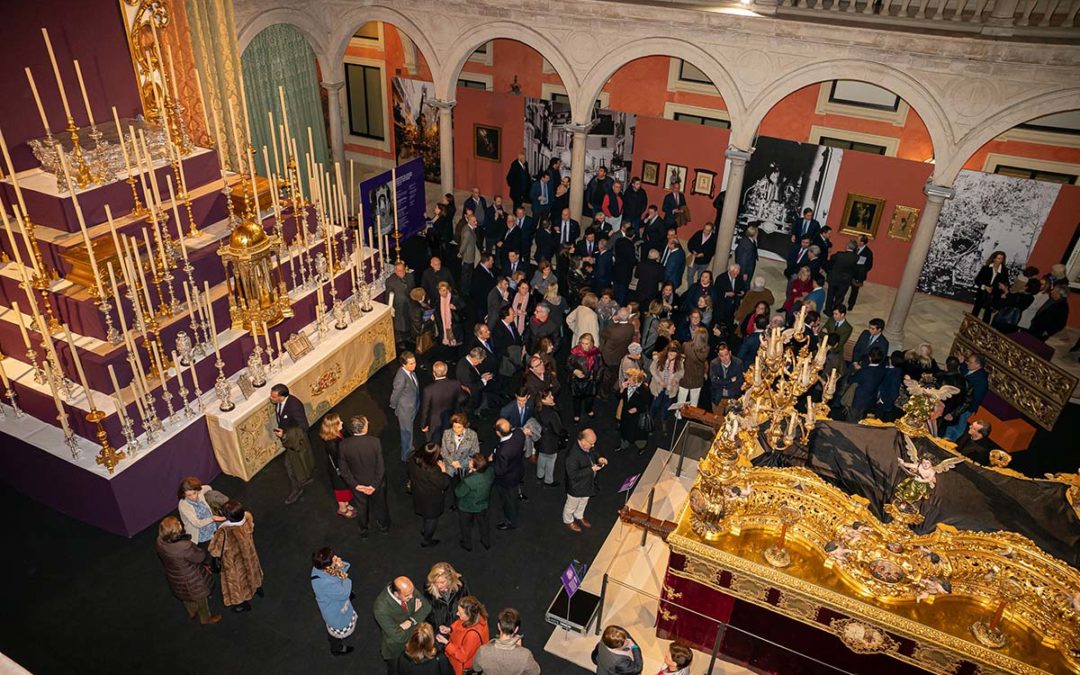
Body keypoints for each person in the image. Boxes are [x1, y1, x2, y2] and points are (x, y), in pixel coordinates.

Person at [155, 515, 221, 625]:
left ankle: (192, 612)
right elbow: (200, 557)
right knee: (200, 597)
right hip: (191, 578)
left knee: (184, 595)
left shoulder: (159, 541)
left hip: (174, 576)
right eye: (178, 524)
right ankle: (206, 618)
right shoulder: (184, 546)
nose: (180, 524)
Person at [208, 500, 264, 613]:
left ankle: (243, 604)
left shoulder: (224, 533)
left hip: (234, 563)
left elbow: (214, 551)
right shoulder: (248, 518)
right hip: (250, 555)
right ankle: (257, 588)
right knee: (253, 572)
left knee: (238, 584)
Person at [339, 415, 390, 537]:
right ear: (363, 428)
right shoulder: (375, 442)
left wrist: (356, 486)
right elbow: (380, 467)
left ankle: (363, 529)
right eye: (367, 423)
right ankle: (384, 526)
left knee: (361, 508)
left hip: (358, 484)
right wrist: (374, 485)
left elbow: (343, 470)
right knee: (381, 505)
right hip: (376, 484)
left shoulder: (344, 445)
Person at [374, 576, 433, 673]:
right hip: (397, 648)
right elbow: (399, 637)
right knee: (395, 670)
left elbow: (426, 607)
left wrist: (411, 620)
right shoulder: (380, 609)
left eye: (412, 592)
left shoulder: (407, 590)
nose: (412, 596)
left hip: (413, 643)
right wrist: (417, 616)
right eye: (407, 596)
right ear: (396, 594)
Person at [269, 384, 314, 504]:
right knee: (300, 463)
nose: (270, 398)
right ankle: (305, 478)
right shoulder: (280, 403)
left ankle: (297, 489)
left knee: (290, 466)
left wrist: (285, 434)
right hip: (290, 441)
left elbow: (303, 426)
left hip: (295, 442)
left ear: (282, 396)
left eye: (273, 397)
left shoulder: (294, 406)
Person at [310, 547, 356, 655]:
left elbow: (344, 567)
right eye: (335, 560)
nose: (339, 559)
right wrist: (342, 574)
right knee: (334, 631)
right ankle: (336, 648)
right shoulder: (324, 583)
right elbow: (344, 593)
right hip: (334, 612)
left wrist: (338, 567)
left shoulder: (323, 568)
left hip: (337, 600)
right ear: (327, 567)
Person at [471, 608, 540, 675]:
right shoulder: (525, 655)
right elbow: (535, 672)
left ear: (498, 626)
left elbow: (476, 668)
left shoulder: (483, 651)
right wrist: (519, 648)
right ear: (516, 629)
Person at [563, 428, 607, 533]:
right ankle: (568, 520)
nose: (593, 446)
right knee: (571, 506)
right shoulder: (572, 456)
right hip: (576, 487)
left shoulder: (586, 446)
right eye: (591, 443)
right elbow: (573, 475)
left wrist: (599, 458)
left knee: (584, 501)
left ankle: (579, 515)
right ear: (583, 441)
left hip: (587, 483)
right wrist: (591, 469)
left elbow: (593, 452)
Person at [408, 443, 451, 548]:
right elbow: (444, 484)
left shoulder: (412, 458)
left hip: (418, 493)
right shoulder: (433, 470)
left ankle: (424, 529)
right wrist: (444, 471)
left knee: (425, 514)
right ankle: (427, 540)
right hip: (431, 499)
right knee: (431, 519)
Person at [438, 596, 489, 675]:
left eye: (460, 613)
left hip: (462, 667)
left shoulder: (473, 635)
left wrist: (446, 643)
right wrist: (450, 629)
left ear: (469, 615)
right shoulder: (476, 618)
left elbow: (462, 656)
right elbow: (460, 623)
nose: (457, 614)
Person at [491, 418, 527, 530]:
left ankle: (511, 522)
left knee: (509, 501)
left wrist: (492, 460)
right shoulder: (519, 434)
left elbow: (499, 471)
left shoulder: (503, 451)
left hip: (507, 480)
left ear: (498, 433)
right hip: (518, 470)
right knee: (513, 495)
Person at [944, 353, 989, 441]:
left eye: (970, 362)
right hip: (957, 403)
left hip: (966, 407)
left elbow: (975, 398)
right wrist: (961, 363)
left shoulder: (981, 381)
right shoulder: (969, 369)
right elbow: (963, 372)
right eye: (968, 361)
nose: (967, 363)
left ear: (978, 365)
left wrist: (965, 410)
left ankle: (948, 442)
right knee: (950, 424)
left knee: (957, 428)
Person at [319, 413, 356, 519]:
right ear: (333, 426)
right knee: (342, 490)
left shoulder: (340, 432)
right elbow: (339, 459)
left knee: (346, 488)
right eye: (339, 422)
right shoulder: (331, 443)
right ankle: (342, 509)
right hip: (338, 471)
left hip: (345, 466)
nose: (342, 422)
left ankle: (346, 504)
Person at [455, 453, 494, 552]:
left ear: (474, 466)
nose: (468, 462)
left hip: (467, 506)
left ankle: (467, 544)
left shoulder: (469, 480)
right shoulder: (490, 471)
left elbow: (459, 493)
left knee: (465, 526)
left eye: (470, 461)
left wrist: (465, 475)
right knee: (483, 523)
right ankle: (486, 541)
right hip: (483, 504)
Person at [420, 361, 466, 442]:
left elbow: (425, 410)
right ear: (446, 371)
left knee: (434, 443)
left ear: (434, 373)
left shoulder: (428, 390)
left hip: (434, 422)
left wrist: (424, 425)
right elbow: (462, 399)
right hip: (450, 418)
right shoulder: (455, 384)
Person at [424, 561, 471, 636]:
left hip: (458, 630)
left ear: (450, 579)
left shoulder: (461, 586)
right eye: (436, 582)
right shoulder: (429, 589)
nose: (438, 586)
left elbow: (467, 610)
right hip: (438, 633)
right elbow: (428, 614)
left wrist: (453, 628)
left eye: (442, 582)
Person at [391, 352, 422, 462]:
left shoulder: (410, 372)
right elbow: (395, 395)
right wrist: (394, 407)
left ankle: (409, 447)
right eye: (411, 363)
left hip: (412, 406)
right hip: (405, 410)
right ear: (404, 365)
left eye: (415, 362)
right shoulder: (400, 378)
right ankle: (406, 455)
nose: (414, 365)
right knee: (406, 432)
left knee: (409, 430)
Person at [176, 476, 224, 546]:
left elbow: (207, 487)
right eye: (189, 495)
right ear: (184, 494)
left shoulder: (199, 491)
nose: (193, 497)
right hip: (198, 531)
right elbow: (197, 524)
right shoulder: (183, 505)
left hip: (211, 522)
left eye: (195, 493)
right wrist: (212, 518)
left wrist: (210, 490)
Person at [568, 333, 602, 422]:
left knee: (590, 399)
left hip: (590, 381)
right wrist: (574, 371)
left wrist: (596, 379)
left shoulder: (596, 353)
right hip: (577, 381)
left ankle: (588, 410)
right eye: (582, 343)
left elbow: (600, 367)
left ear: (591, 344)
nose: (584, 346)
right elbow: (568, 365)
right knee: (576, 399)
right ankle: (577, 413)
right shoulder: (575, 352)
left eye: (586, 344)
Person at [601, 307, 635, 396]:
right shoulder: (631, 327)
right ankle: (614, 387)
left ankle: (604, 393)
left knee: (607, 376)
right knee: (616, 373)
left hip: (609, 356)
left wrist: (613, 322)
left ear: (618, 316)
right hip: (621, 355)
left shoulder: (612, 329)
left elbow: (603, 334)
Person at [535, 389, 565, 487]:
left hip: (540, 440)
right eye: (549, 397)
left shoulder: (537, 408)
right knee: (551, 460)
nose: (552, 397)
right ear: (543, 400)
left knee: (541, 457)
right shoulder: (552, 413)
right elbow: (558, 429)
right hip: (550, 442)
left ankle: (539, 475)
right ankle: (548, 480)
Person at [847, 348, 886, 422]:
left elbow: (850, 380)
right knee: (861, 419)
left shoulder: (864, 371)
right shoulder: (882, 370)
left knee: (852, 418)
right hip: (871, 400)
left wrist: (854, 372)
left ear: (870, 358)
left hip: (858, 399)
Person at [619, 369, 653, 453]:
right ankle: (624, 443)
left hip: (638, 417)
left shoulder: (644, 390)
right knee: (625, 428)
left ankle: (642, 446)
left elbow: (647, 404)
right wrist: (622, 389)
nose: (628, 381)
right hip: (626, 413)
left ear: (636, 381)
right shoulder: (627, 385)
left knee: (638, 433)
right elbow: (619, 396)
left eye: (630, 379)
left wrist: (637, 409)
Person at [649, 341, 684, 424]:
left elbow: (681, 373)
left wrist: (675, 379)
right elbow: (652, 369)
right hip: (658, 386)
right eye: (670, 354)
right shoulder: (659, 358)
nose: (671, 356)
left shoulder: (679, 362)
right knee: (655, 405)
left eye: (674, 355)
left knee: (666, 406)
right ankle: (651, 421)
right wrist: (659, 380)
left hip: (670, 388)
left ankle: (664, 420)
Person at [676, 327, 709, 411]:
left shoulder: (686, 346)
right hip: (698, 377)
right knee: (694, 400)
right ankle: (692, 415)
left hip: (685, 376)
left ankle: (679, 414)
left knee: (681, 398)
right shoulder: (707, 349)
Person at [387, 261, 417, 348]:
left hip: (410, 304)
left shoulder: (410, 276)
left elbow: (413, 289)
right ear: (395, 271)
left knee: (409, 320)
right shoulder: (390, 281)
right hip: (399, 306)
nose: (402, 272)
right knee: (401, 323)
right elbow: (389, 295)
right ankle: (401, 340)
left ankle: (409, 336)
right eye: (399, 271)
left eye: (403, 270)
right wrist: (390, 307)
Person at [973, 250, 1008, 323]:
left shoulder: (1004, 271)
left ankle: (984, 330)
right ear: (994, 258)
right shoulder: (986, 268)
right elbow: (977, 280)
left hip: (993, 295)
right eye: (999, 258)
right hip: (983, 292)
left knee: (988, 313)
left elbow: (1006, 282)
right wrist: (985, 287)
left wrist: (1003, 288)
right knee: (976, 310)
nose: (1000, 260)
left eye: (1002, 259)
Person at [709, 343, 744, 415]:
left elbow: (739, 382)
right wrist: (730, 381)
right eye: (721, 356)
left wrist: (721, 382)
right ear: (718, 356)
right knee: (716, 422)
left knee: (731, 422)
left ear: (730, 353)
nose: (725, 358)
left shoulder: (738, 363)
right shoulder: (714, 363)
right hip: (718, 397)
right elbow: (714, 382)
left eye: (726, 354)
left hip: (732, 398)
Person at [849, 235, 874, 309]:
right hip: (849, 272)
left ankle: (851, 304)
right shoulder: (854, 247)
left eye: (858, 240)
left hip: (858, 275)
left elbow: (869, 265)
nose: (857, 241)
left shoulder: (868, 253)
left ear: (862, 242)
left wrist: (861, 272)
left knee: (854, 291)